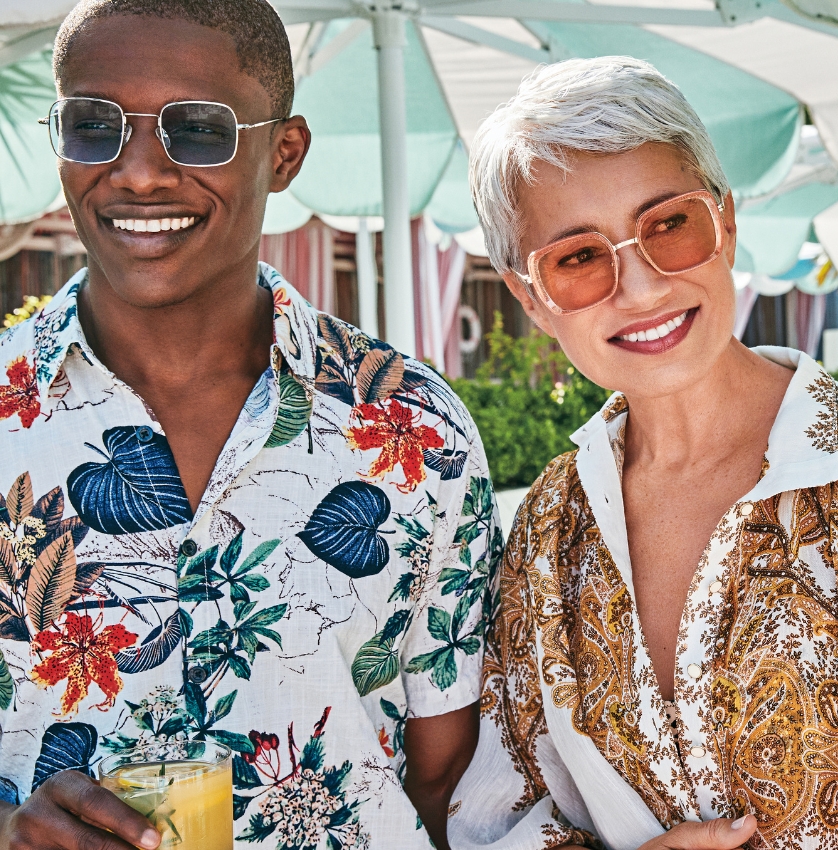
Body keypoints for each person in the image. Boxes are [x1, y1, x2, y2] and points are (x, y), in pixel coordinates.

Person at [0, 2, 501, 849]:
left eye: (198, 130)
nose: (140, 173)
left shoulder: (418, 432)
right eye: (94, 126)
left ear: (286, 153)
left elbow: (456, 783)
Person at [447, 56, 838, 850]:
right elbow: (499, 809)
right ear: (531, 299)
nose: (639, 289)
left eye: (670, 223)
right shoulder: (549, 530)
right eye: (579, 258)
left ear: (726, 223)